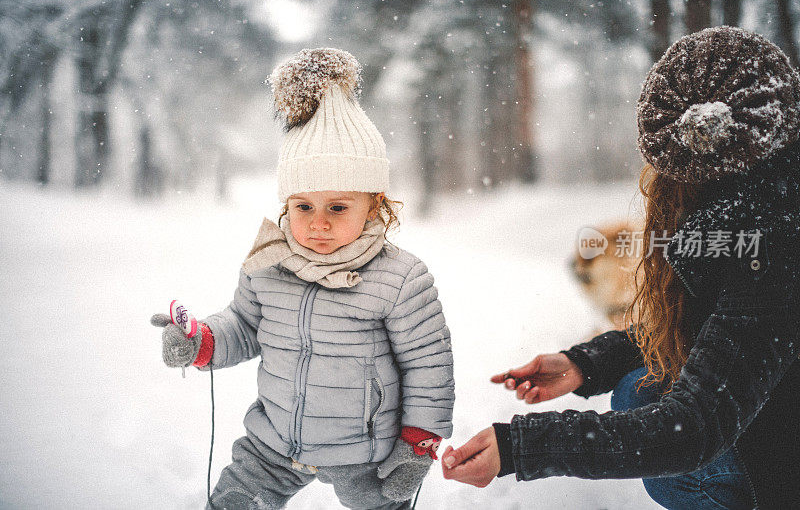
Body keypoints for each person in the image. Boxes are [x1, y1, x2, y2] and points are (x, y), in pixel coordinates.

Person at [441, 26, 800, 510]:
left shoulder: (774, 243)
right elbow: (724, 335)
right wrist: (586, 363)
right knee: (638, 386)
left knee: (650, 408)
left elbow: (693, 427)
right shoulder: (772, 194)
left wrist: (522, 448)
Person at [151, 48, 455, 509]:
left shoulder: (400, 278)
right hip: (272, 442)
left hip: (366, 453)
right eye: (303, 207)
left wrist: (417, 444)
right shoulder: (268, 263)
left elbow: (429, 368)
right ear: (286, 206)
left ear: (374, 205)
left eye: (338, 207)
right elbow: (246, 325)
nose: (318, 223)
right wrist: (202, 341)